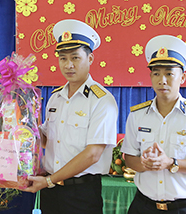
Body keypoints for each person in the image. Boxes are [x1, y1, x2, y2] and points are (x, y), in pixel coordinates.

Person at [24, 19, 118, 214]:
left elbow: (93, 154)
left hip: (80, 193)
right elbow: (46, 140)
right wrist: (21, 121)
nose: (69, 65)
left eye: (75, 58)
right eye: (63, 58)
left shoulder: (102, 100)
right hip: (51, 191)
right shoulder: (55, 98)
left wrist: (49, 180)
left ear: (90, 59)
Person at [121, 35, 186, 214]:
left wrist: (170, 162)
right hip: (142, 206)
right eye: (156, 73)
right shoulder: (137, 115)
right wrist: (147, 163)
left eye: (169, 73)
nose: (162, 80)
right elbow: (129, 158)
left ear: (182, 77)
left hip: (182, 208)